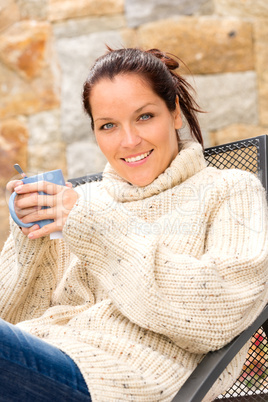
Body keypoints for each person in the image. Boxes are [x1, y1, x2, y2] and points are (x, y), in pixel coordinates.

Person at [1, 47, 268, 402]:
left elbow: (219, 313)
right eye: (108, 125)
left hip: (117, 377)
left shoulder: (229, 191)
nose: (128, 141)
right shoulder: (84, 202)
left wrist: (94, 226)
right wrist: (28, 239)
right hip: (43, 355)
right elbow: (13, 316)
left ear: (174, 113)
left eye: (144, 117)